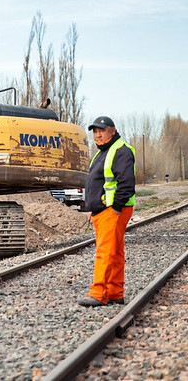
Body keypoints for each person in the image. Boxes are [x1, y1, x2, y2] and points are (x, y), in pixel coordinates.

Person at [78, 115, 136, 307]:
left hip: (112, 210)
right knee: (115, 252)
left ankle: (98, 293)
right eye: (95, 131)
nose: (98, 135)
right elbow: (97, 183)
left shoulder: (121, 151)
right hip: (102, 210)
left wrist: (117, 207)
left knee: (105, 252)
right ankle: (115, 292)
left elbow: (126, 183)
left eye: (101, 130)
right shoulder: (103, 152)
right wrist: (91, 208)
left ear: (113, 130)